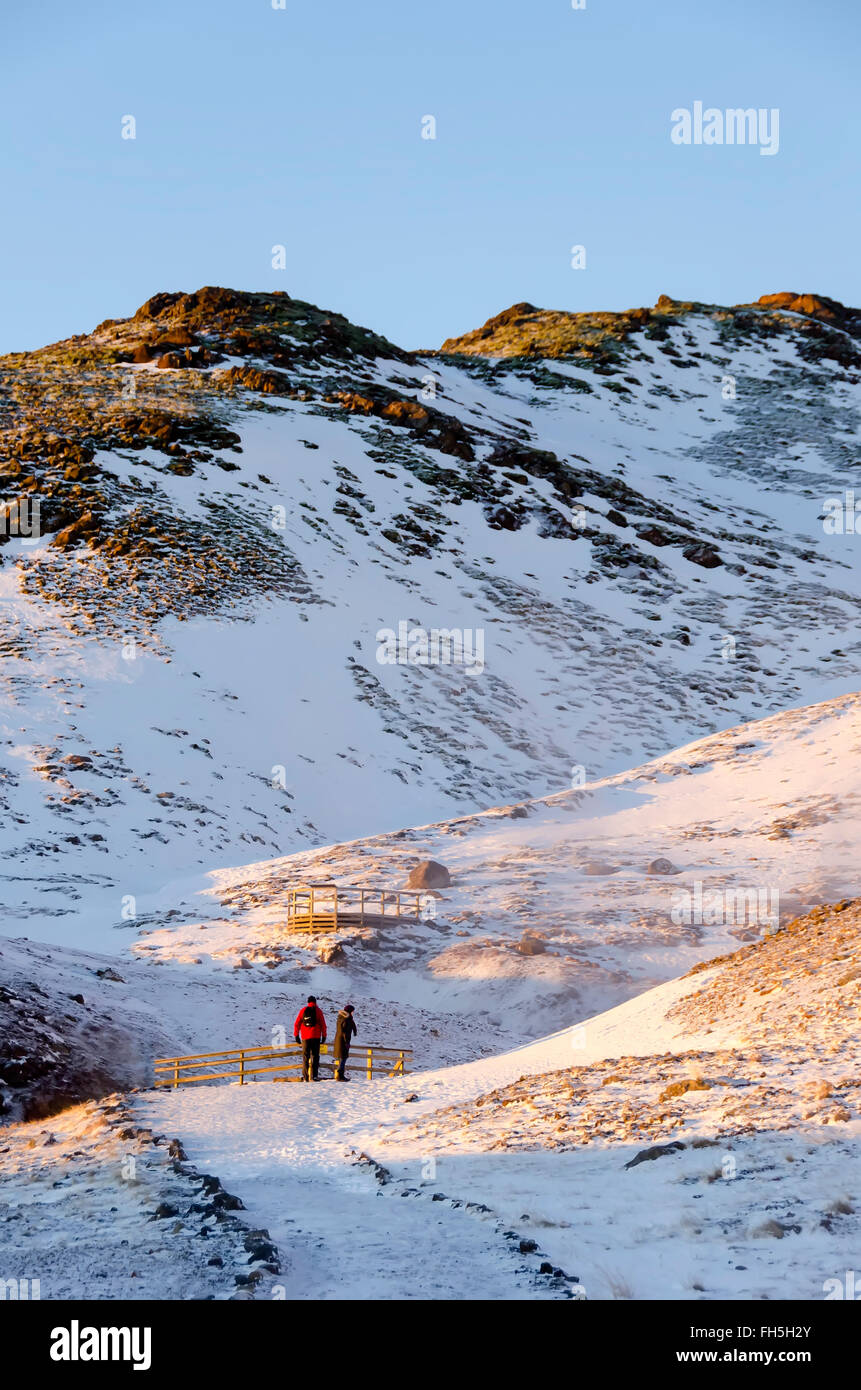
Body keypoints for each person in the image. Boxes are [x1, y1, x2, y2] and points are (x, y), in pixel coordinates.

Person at [293, 995, 326, 1081]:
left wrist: (296, 1035)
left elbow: (297, 1023)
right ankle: (314, 1076)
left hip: (305, 1037)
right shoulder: (318, 1011)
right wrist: (324, 1036)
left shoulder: (303, 1010)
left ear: (308, 1002)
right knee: (315, 1057)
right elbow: (323, 1025)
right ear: (315, 1002)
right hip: (316, 1037)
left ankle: (305, 1076)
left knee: (305, 1057)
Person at [333, 1003, 357, 1081]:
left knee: (342, 1058)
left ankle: (340, 1075)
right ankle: (340, 1075)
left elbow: (347, 1028)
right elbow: (345, 1032)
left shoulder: (343, 1018)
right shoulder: (346, 1019)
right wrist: (346, 1042)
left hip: (339, 1040)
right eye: (352, 1011)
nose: (353, 1013)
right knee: (343, 1057)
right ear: (350, 1011)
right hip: (342, 1041)